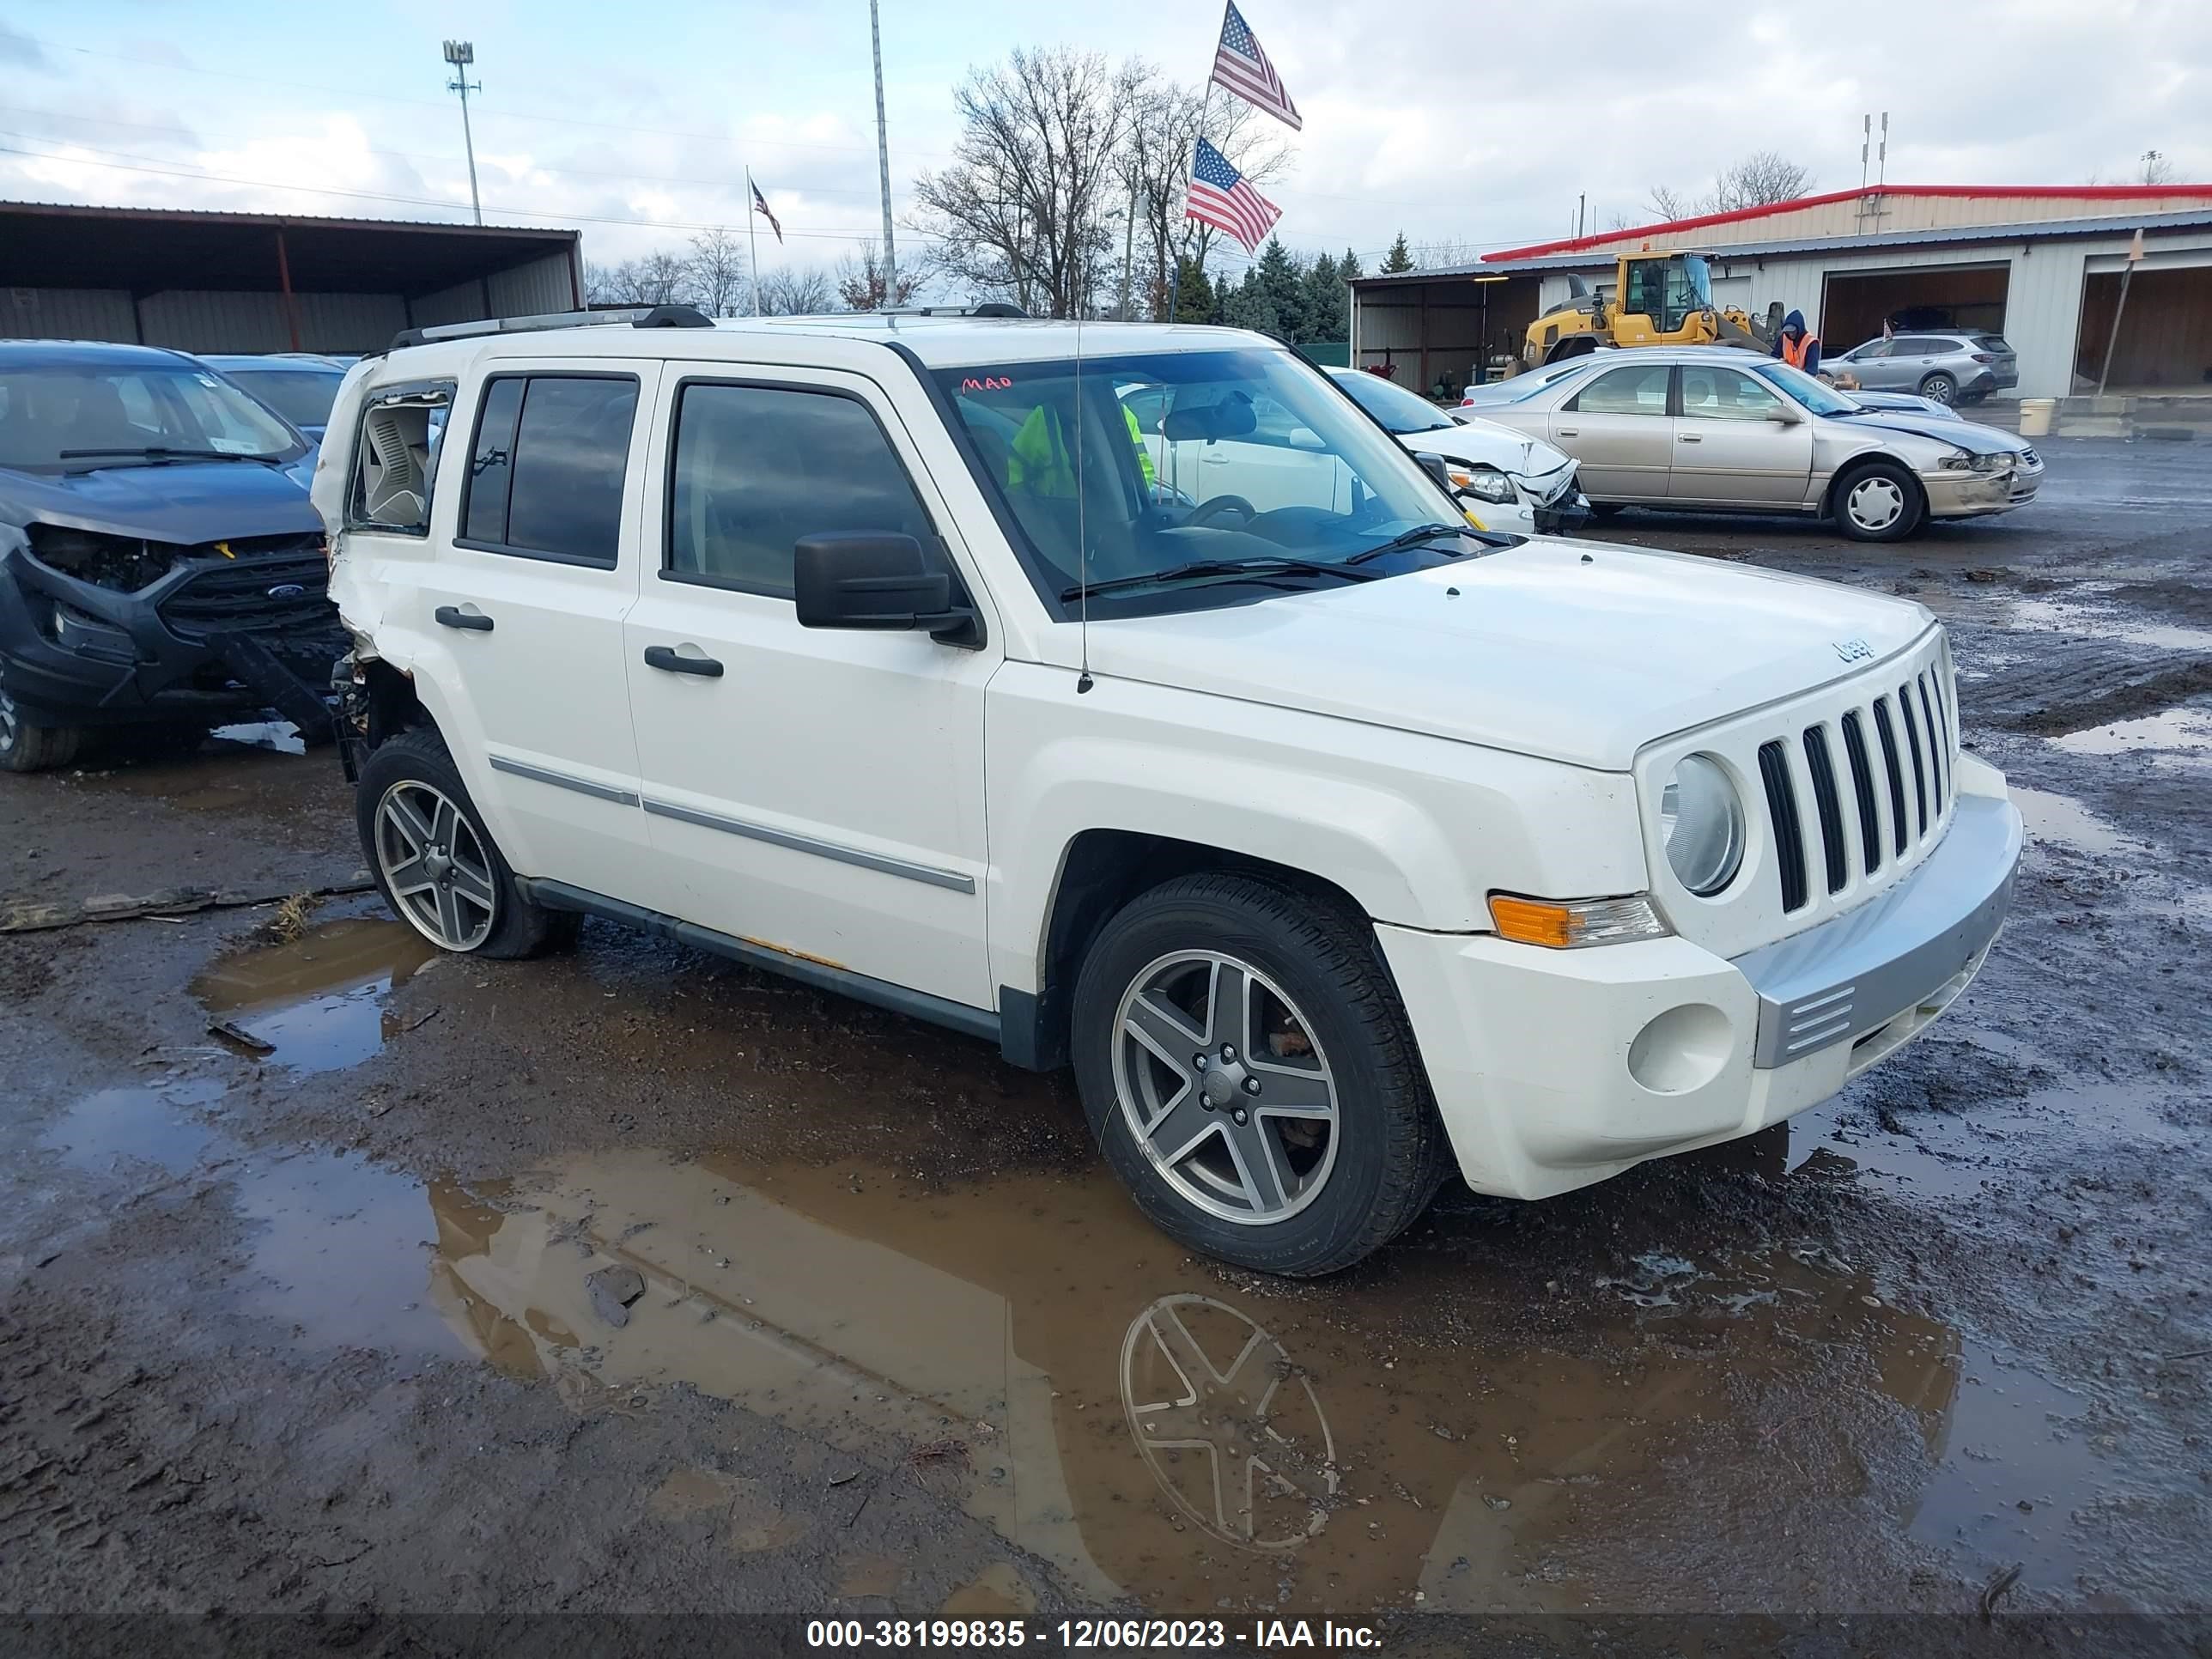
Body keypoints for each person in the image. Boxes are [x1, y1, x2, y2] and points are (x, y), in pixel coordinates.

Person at [1772, 309, 1821, 376]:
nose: (1791, 334)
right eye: (1788, 332)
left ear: (1800, 328)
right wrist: (1780, 361)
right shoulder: (1783, 338)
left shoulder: (1811, 343)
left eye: (1793, 331)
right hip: (1783, 377)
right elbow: (1774, 356)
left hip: (1802, 381)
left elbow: (1811, 371)